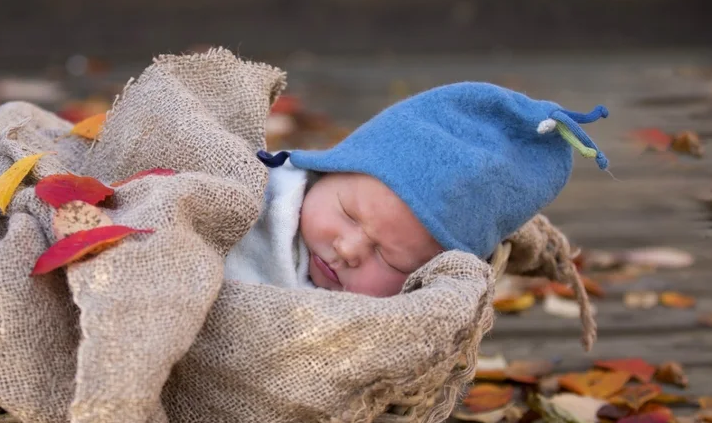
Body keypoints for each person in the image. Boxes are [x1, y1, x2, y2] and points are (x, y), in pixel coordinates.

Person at [223, 81, 610, 296]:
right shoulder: (260, 191)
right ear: (327, 170)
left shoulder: (395, 320)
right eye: (348, 213)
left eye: (389, 259)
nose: (348, 249)